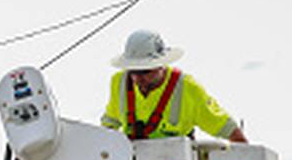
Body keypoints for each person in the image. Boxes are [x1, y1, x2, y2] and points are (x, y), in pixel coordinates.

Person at [101, 30, 247, 144]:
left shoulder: (187, 89)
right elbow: (108, 126)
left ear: (161, 65)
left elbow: (228, 129)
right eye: (133, 71)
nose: (138, 78)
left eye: (145, 71)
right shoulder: (119, 83)